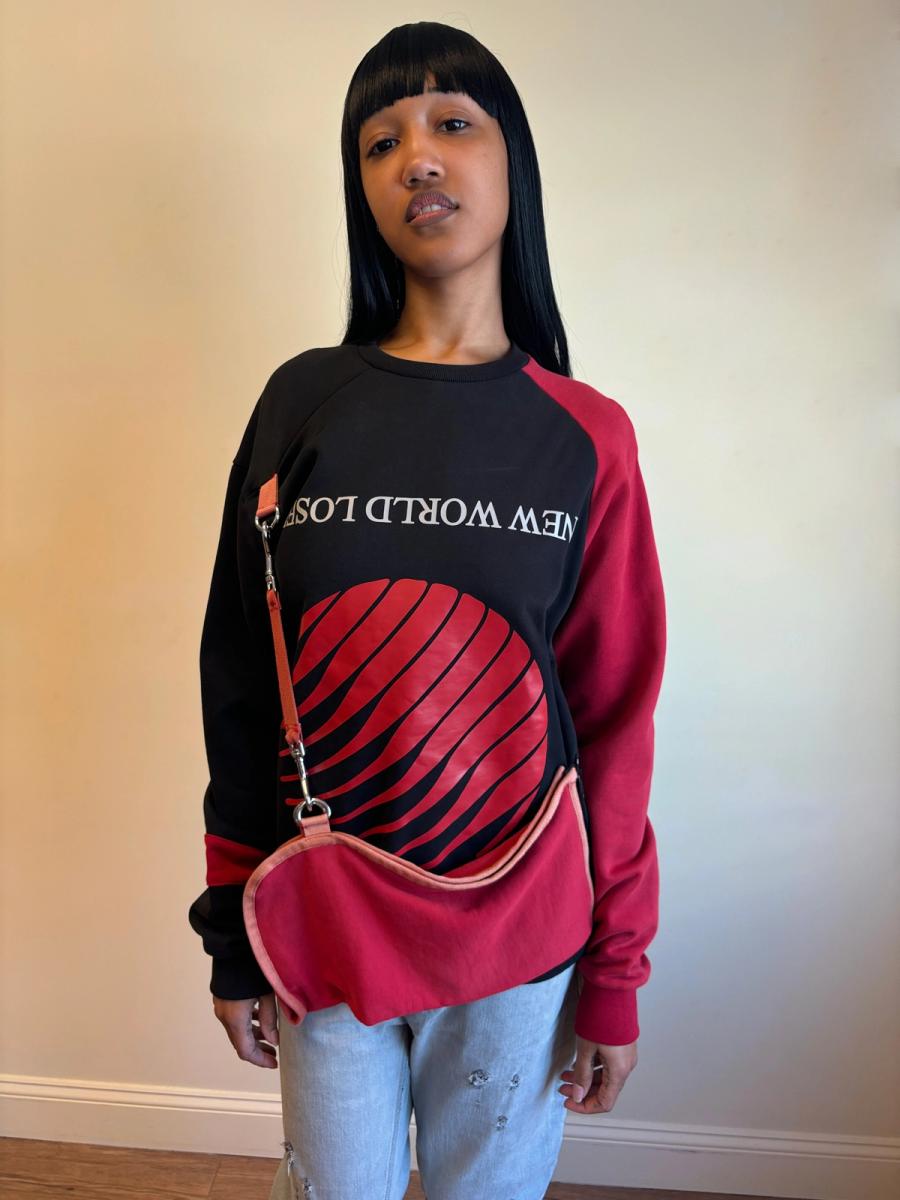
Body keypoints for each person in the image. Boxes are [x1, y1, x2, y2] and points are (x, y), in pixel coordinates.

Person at [188, 21, 667, 1200]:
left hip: (521, 934)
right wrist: (230, 931)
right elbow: (239, 676)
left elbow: (615, 719)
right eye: (379, 142)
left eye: (453, 123)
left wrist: (615, 972)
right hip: (329, 921)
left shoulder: (586, 435)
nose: (417, 159)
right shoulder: (303, 403)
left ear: (513, 162)